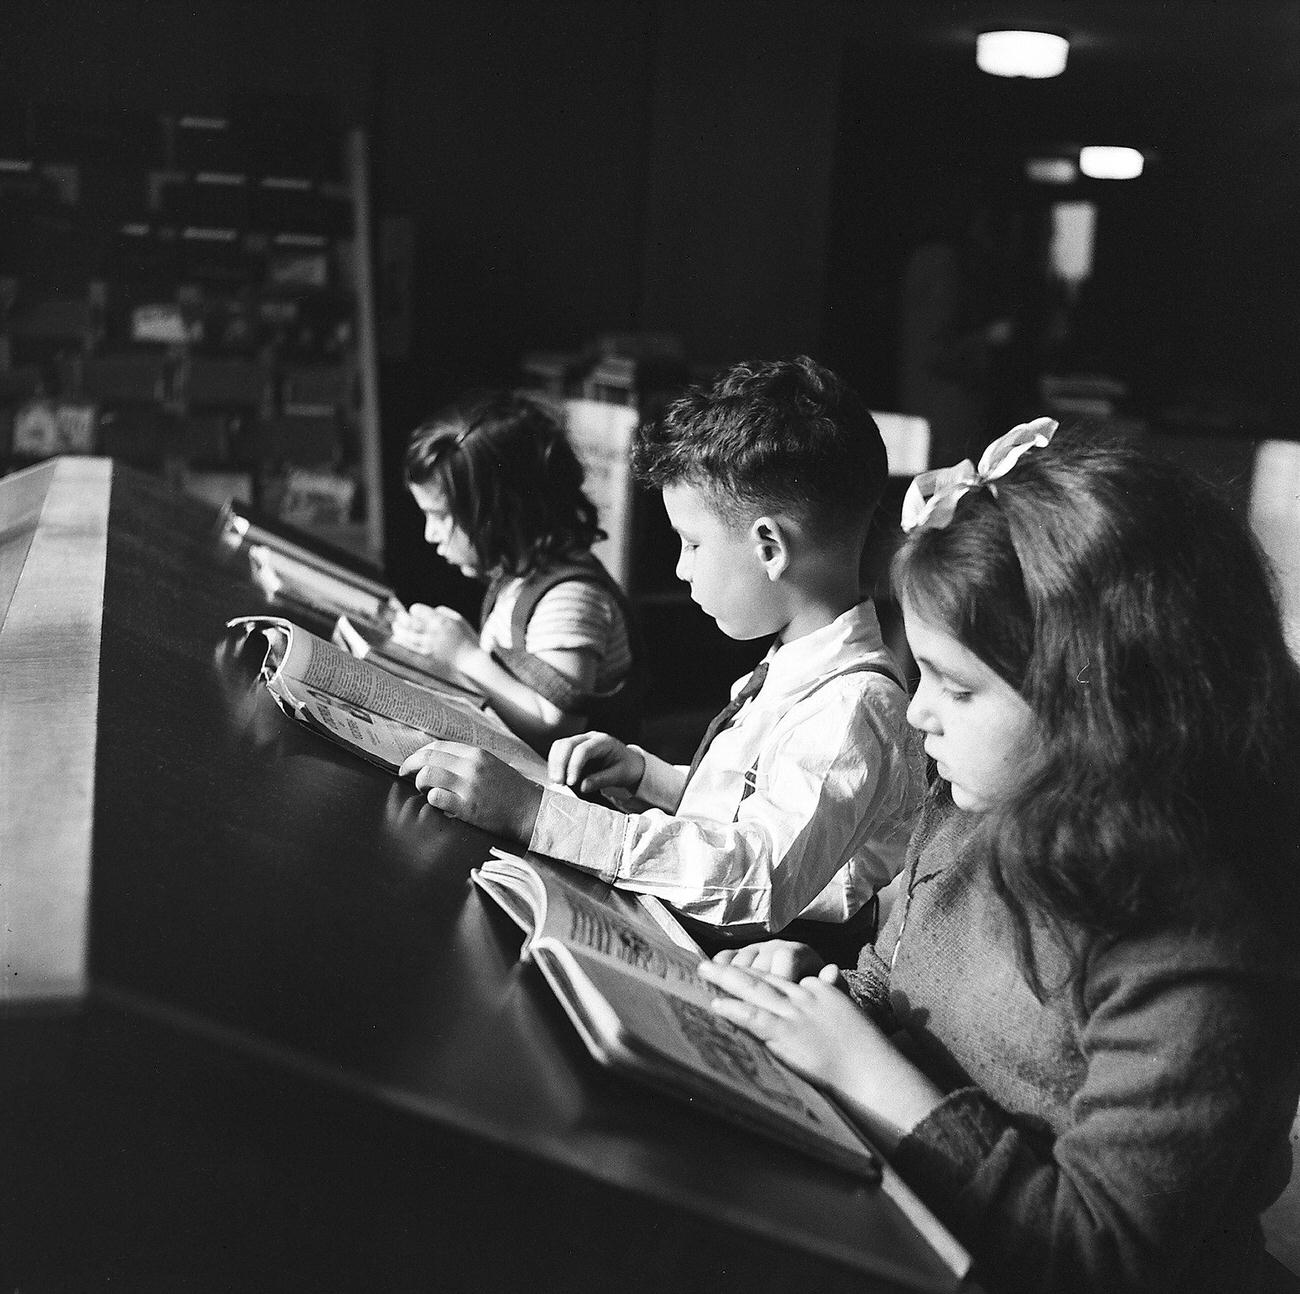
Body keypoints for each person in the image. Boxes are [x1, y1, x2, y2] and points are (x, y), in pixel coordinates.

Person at [700, 420, 1300, 1294]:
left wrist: (867, 1071)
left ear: (1101, 699)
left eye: (959, 687)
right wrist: (823, 991)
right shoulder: (980, 812)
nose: (914, 716)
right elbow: (895, 979)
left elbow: (1101, 1255)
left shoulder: (1199, 945)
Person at [400, 356, 926, 941]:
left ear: (770, 546)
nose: (680, 567)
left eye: (693, 543)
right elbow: (749, 811)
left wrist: (536, 814)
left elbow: (756, 876)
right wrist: (646, 773)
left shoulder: (852, 708)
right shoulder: (797, 665)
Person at [389, 390, 643, 750]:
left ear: (500, 511)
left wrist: (463, 654)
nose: (430, 535)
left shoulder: (570, 598)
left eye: (441, 516)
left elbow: (556, 725)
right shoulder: (518, 581)